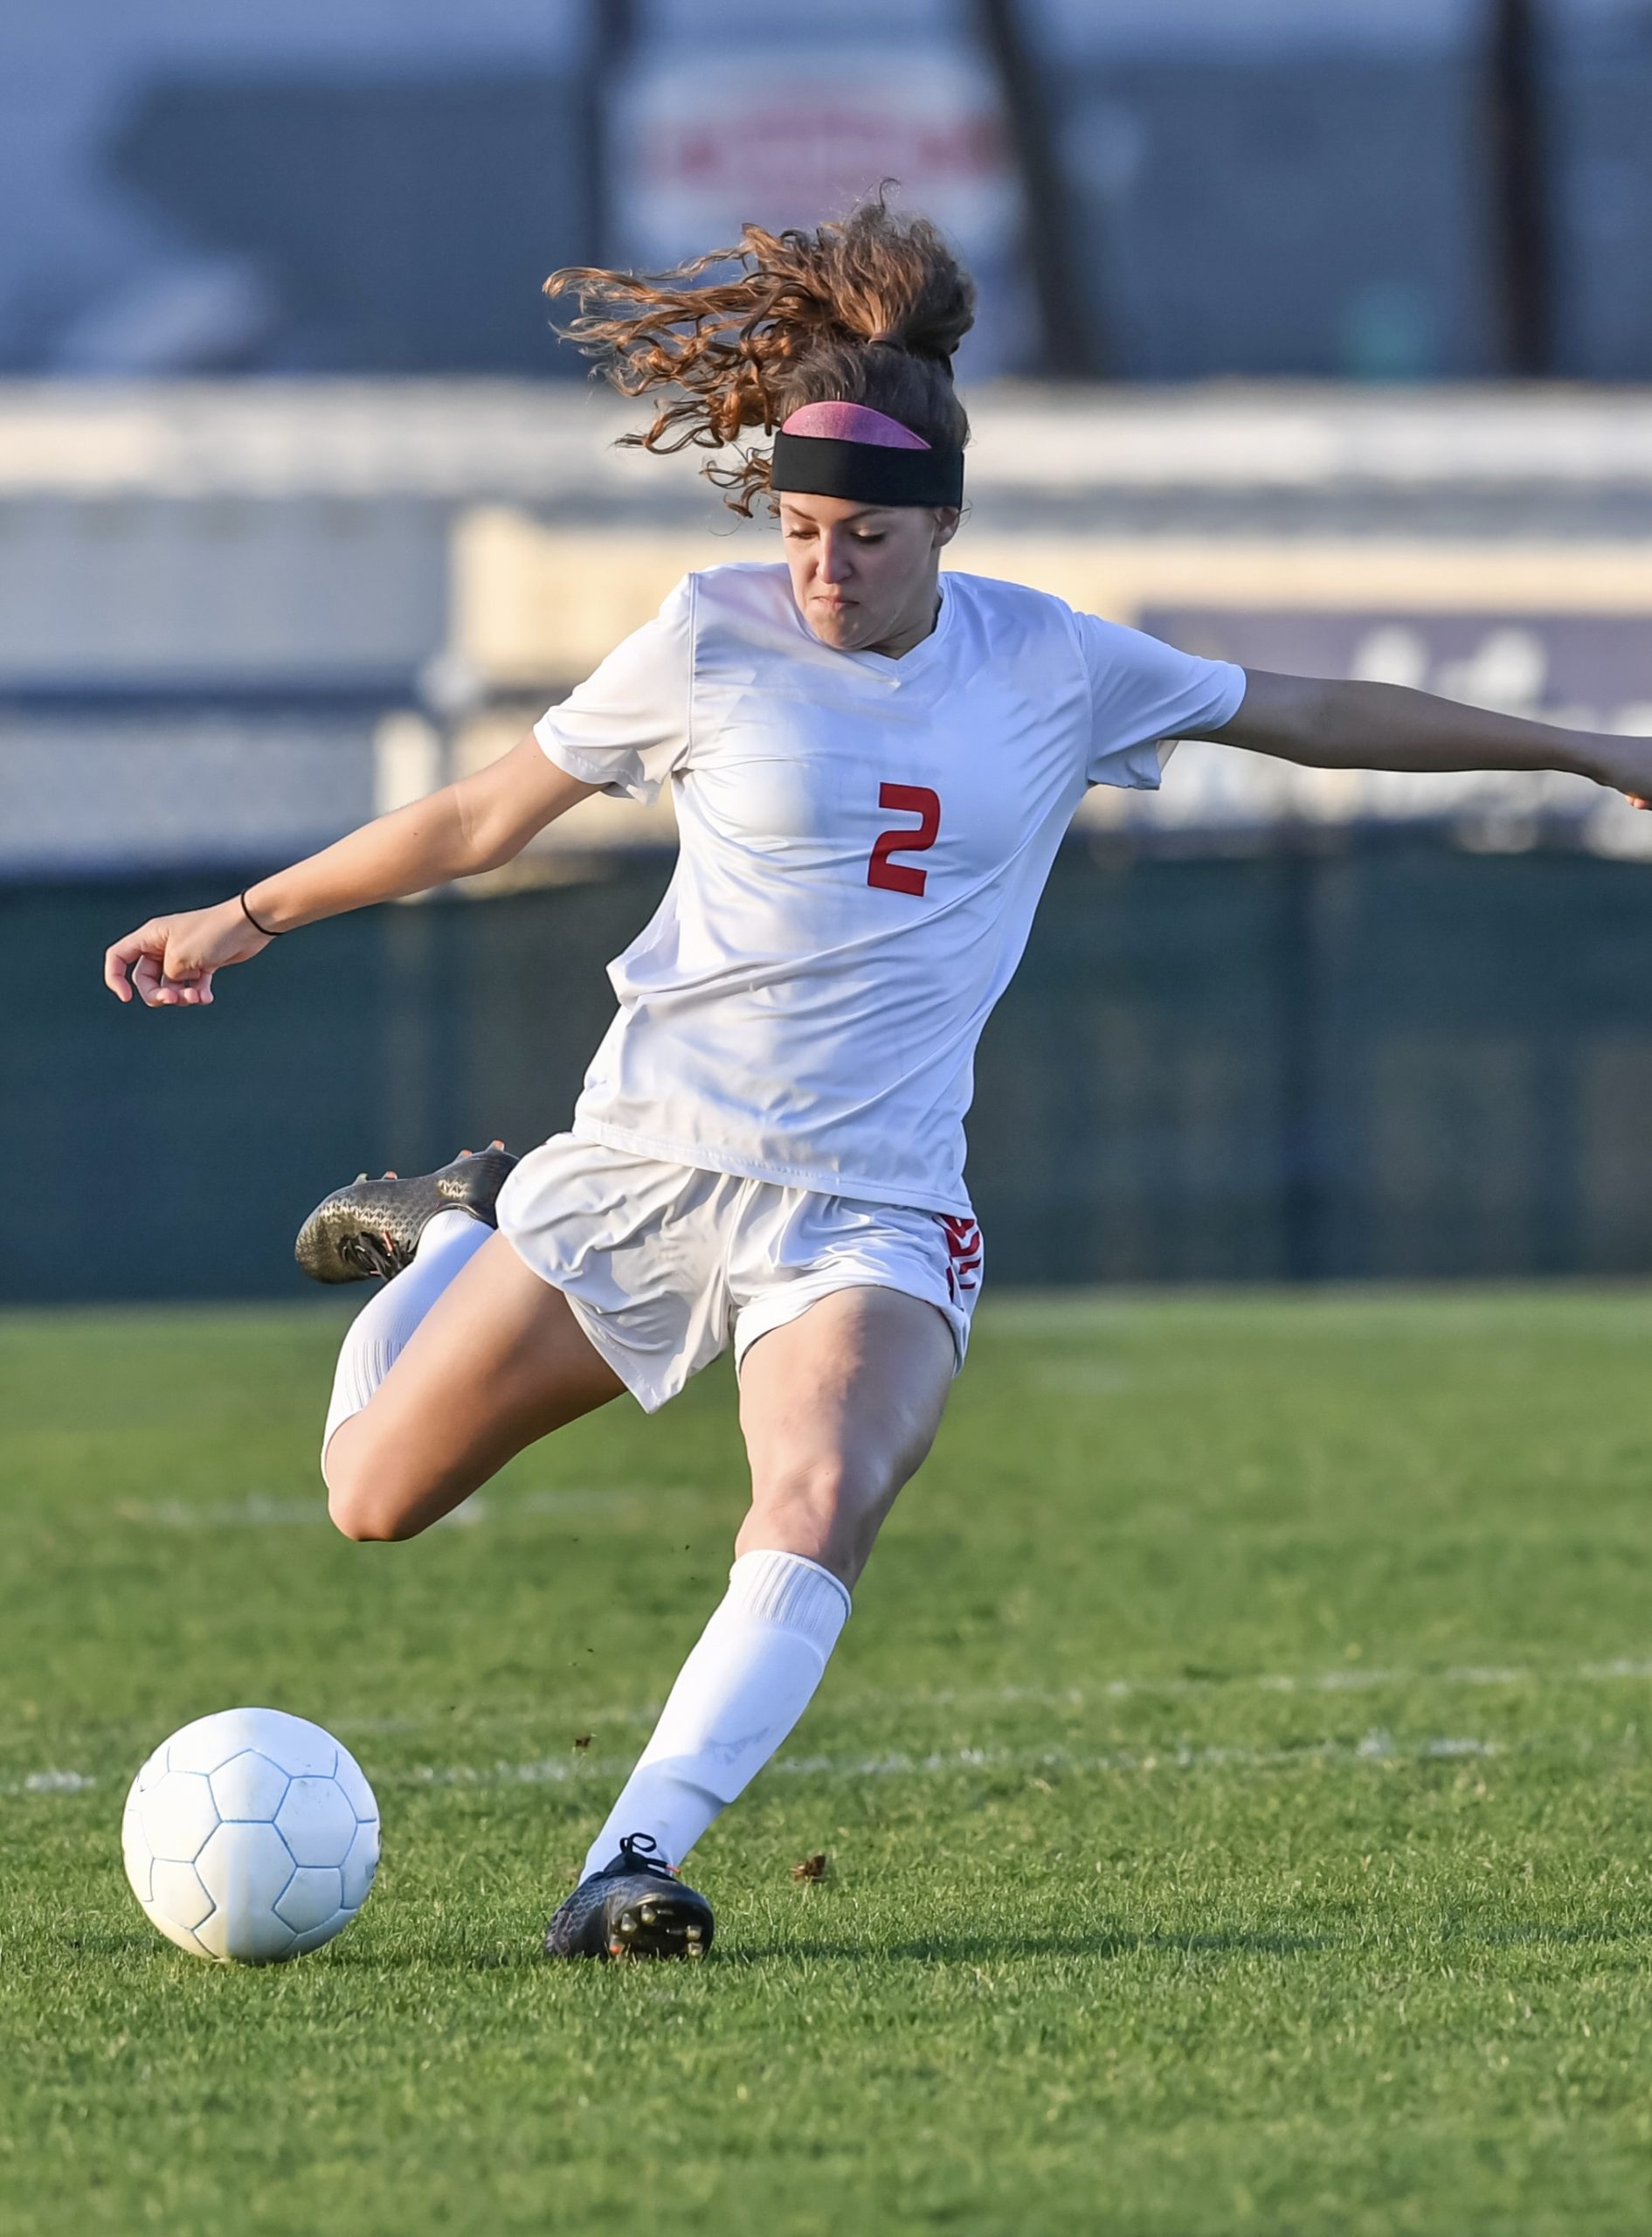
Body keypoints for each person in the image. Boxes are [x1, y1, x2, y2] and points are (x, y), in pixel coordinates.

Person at [103, 196, 1652, 1962]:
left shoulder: (1051, 661)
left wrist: (1586, 747)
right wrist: (247, 910)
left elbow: (1308, 711)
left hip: (870, 1203)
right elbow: (473, 815)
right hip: (645, 1166)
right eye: (798, 527)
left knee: (820, 1490)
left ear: (947, 528)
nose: (820, 568)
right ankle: (466, 1223)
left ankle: (633, 1855)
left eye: (859, 537)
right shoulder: (709, 631)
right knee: (370, 1495)